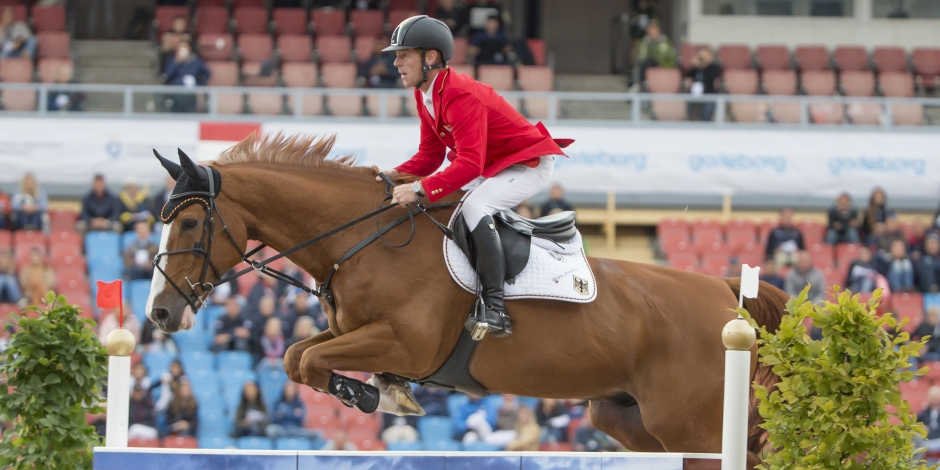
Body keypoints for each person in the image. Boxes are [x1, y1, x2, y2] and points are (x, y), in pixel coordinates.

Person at [379, 15, 567, 339]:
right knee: (450, 204)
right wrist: (391, 174)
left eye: (404, 54)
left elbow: (468, 163)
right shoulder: (425, 94)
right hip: (493, 165)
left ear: (430, 57)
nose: (396, 62)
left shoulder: (460, 94)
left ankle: (495, 307)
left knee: (474, 208)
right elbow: (430, 156)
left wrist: (420, 189)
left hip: (525, 163)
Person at [164, 42, 210, 113]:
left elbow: (207, 72)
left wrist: (199, 83)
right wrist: (177, 61)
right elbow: (168, 74)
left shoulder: (195, 61)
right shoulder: (173, 60)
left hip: (191, 94)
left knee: (190, 111)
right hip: (177, 92)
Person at [684, 46, 720, 121]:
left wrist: (706, 65)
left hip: (708, 93)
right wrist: (695, 66)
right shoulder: (695, 68)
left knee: (707, 108)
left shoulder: (713, 67)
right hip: (694, 93)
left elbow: (713, 76)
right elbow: (688, 75)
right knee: (688, 106)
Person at [914, 385, 940, 463]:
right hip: (927, 440)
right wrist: (921, 428)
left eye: (936, 396)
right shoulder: (924, 413)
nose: (934, 398)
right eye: (932, 396)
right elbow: (915, 423)